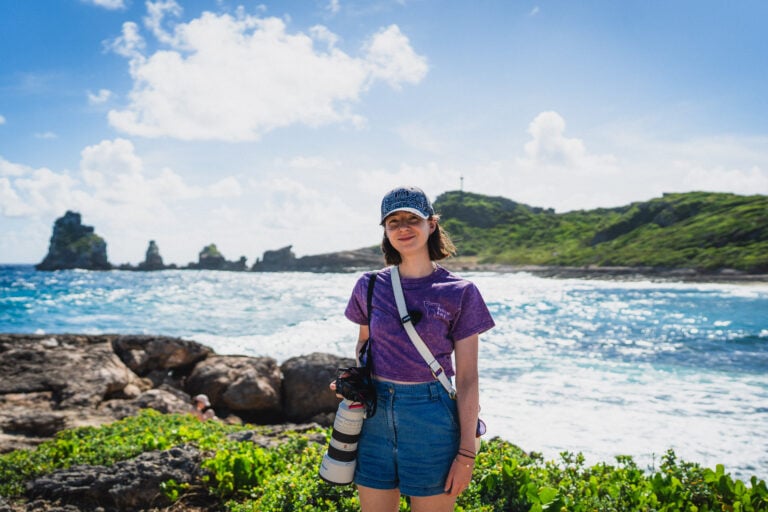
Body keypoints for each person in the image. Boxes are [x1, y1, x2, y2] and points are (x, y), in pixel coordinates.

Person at [340, 185, 495, 511]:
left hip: (432, 419)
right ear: (385, 230)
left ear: (432, 224)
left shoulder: (460, 292)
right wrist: (357, 383)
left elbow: (467, 379)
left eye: (412, 218)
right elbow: (364, 346)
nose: (403, 228)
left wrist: (467, 454)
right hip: (374, 418)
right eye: (393, 222)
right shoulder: (368, 286)